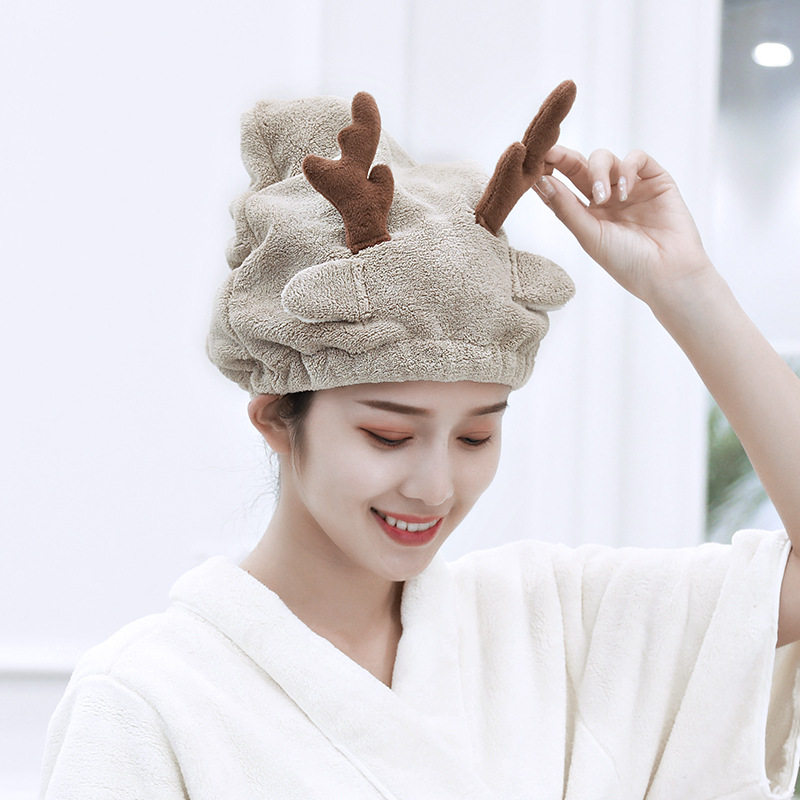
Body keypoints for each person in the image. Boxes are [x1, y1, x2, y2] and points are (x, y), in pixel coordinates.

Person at [39, 82, 800, 799]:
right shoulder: (149, 698)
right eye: (389, 435)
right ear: (275, 420)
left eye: (475, 437)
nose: (435, 487)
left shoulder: (552, 623)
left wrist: (687, 287)